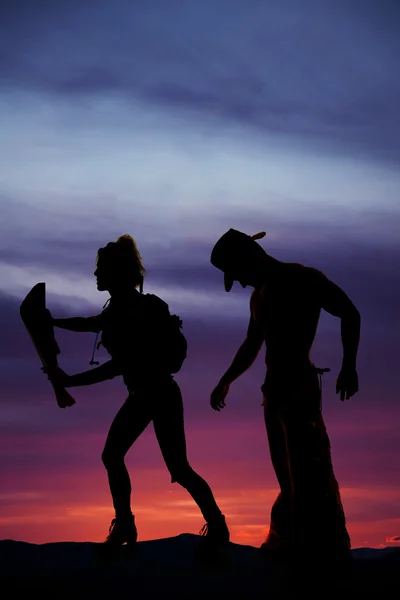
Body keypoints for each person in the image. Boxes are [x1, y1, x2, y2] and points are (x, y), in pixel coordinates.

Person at [44, 234, 229, 550]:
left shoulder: (133, 311)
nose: (96, 275)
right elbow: (92, 323)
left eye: (101, 269)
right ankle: (208, 526)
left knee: (132, 459)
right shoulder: (119, 309)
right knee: (166, 466)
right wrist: (53, 322)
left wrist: (71, 381)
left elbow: (118, 366)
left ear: (115, 272)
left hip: (154, 394)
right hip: (154, 394)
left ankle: (132, 527)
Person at [209, 228, 360, 558]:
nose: (241, 283)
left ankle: (319, 551)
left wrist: (349, 366)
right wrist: (227, 379)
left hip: (299, 392)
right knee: (290, 482)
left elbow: (349, 312)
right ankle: (293, 546)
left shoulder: (303, 279)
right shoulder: (259, 294)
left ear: (248, 260)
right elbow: (252, 343)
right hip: (273, 396)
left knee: (310, 475)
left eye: (237, 275)